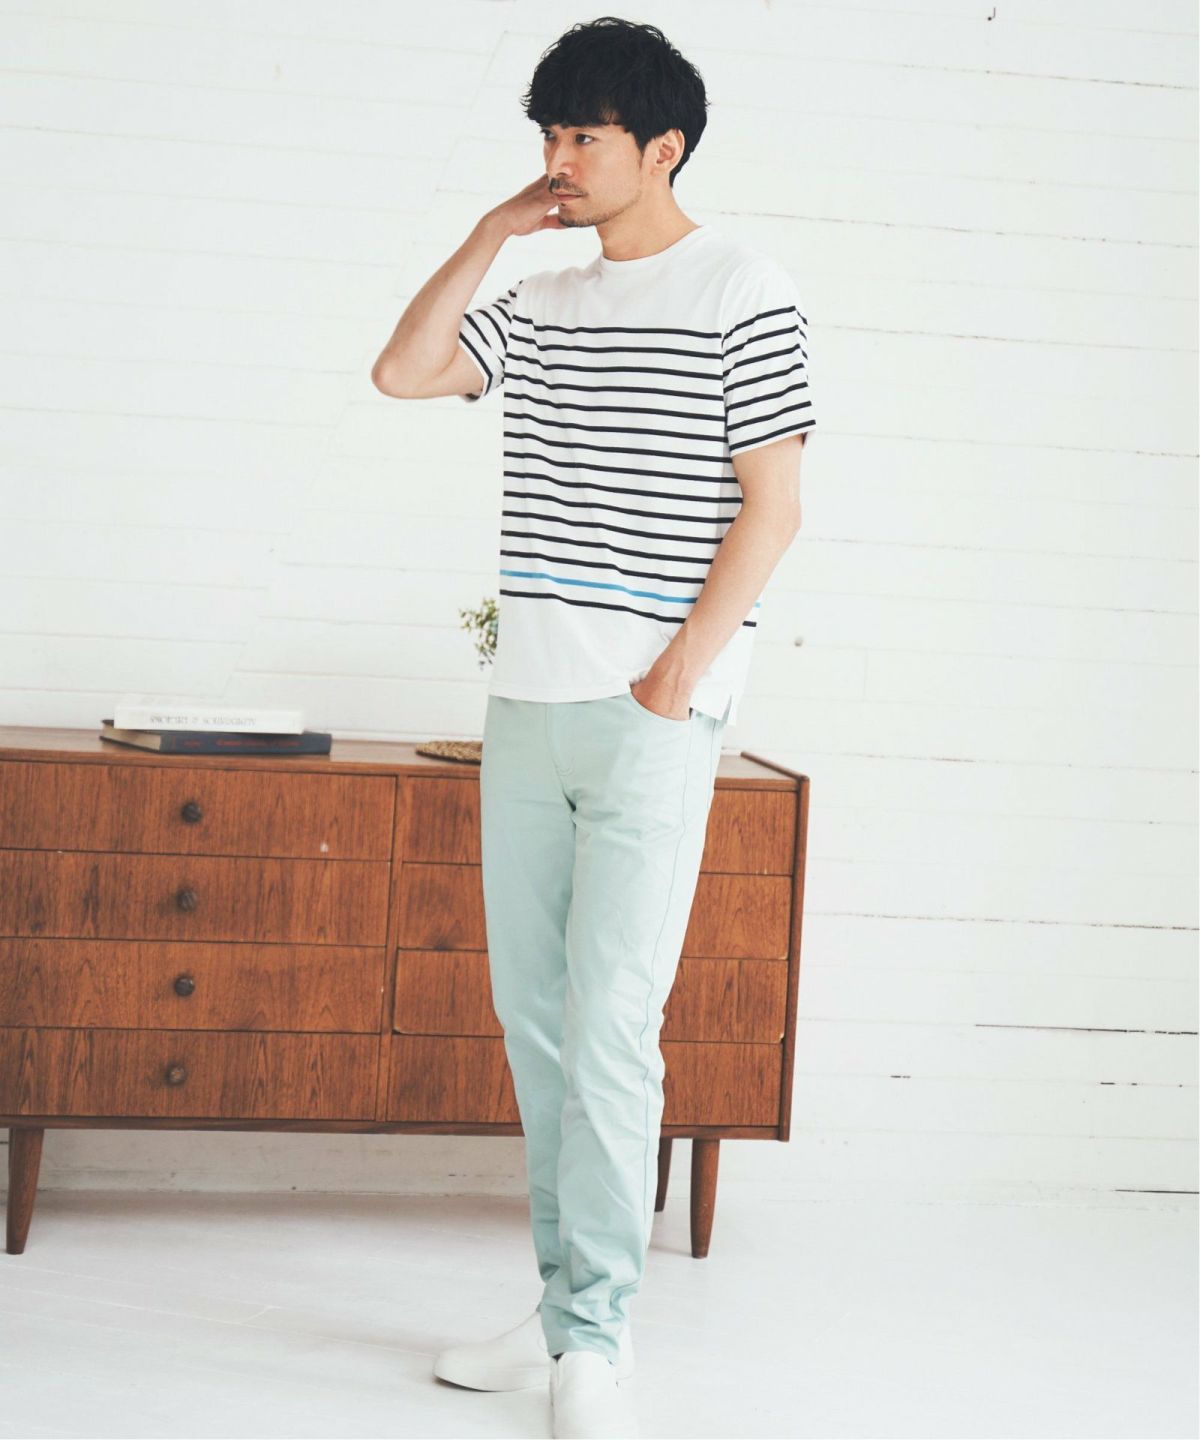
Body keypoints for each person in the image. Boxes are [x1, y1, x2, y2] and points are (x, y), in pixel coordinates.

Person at [371, 17, 816, 1438]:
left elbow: (773, 507)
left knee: (615, 1026)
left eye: (586, 138)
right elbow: (403, 372)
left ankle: (599, 1341)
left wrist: (681, 673)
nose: (560, 160)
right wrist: (491, 231)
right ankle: (562, 1307)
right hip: (529, 703)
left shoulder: (743, 287)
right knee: (539, 1025)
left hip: (649, 712)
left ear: (662, 148)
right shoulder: (544, 297)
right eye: (549, 136)